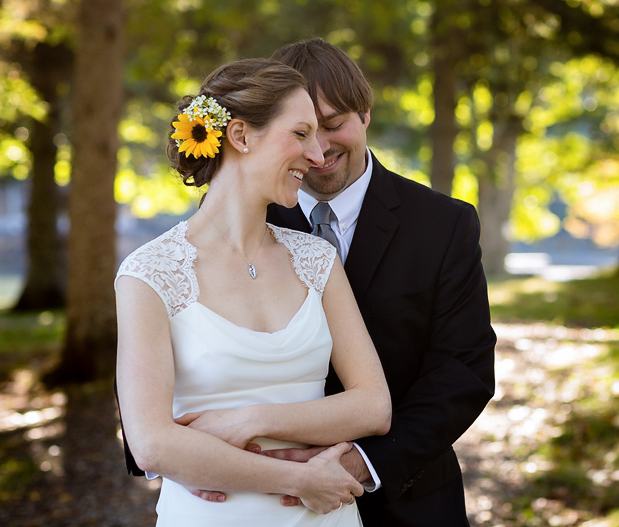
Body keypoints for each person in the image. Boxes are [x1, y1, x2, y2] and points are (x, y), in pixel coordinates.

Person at [180, 39, 497, 526]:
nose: (320, 150)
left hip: (407, 498)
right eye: (302, 131)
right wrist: (177, 456)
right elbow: (169, 343)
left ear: (366, 112)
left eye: (333, 126)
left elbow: (464, 369)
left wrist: (364, 463)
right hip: (257, 497)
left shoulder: (443, 224)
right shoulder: (238, 219)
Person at [114, 57, 391, 526]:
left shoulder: (316, 259)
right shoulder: (148, 273)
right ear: (240, 136)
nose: (318, 155)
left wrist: (252, 420)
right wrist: (297, 480)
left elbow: (373, 405)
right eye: (300, 134)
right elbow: (151, 444)